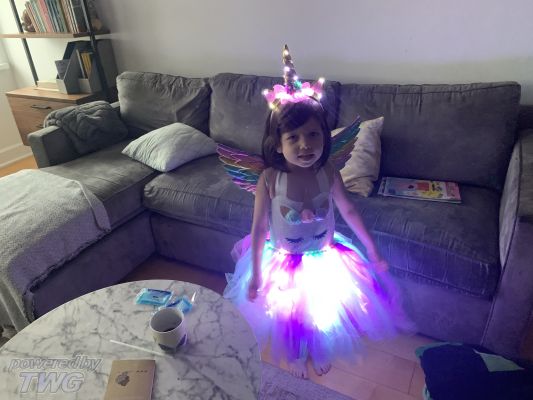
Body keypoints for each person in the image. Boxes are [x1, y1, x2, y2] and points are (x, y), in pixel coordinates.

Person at [223, 46, 412, 379]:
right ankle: (296, 354)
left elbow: (349, 211)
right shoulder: (269, 179)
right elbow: (259, 228)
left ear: (325, 137)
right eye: (293, 137)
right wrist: (256, 274)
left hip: (324, 255)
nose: (305, 145)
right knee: (291, 313)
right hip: (285, 259)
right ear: (277, 144)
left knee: (321, 309)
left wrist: (372, 248)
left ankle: (318, 347)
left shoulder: (329, 173)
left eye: (313, 135)